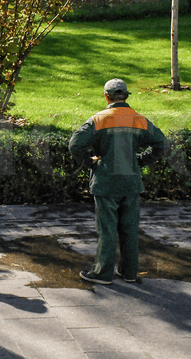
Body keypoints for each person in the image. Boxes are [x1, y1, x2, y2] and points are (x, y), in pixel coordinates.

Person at [69, 79, 170, 284]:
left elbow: (75, 145)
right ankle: (129, 272)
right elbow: (162, 144)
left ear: (106, 96)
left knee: (107, 229)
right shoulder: (138, 119)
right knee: (130, 229)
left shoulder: (99, 119)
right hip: (131, 183)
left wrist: (89, 162)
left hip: (106, 182)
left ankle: (103, 273)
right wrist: (140, 160)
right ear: (126, 96)